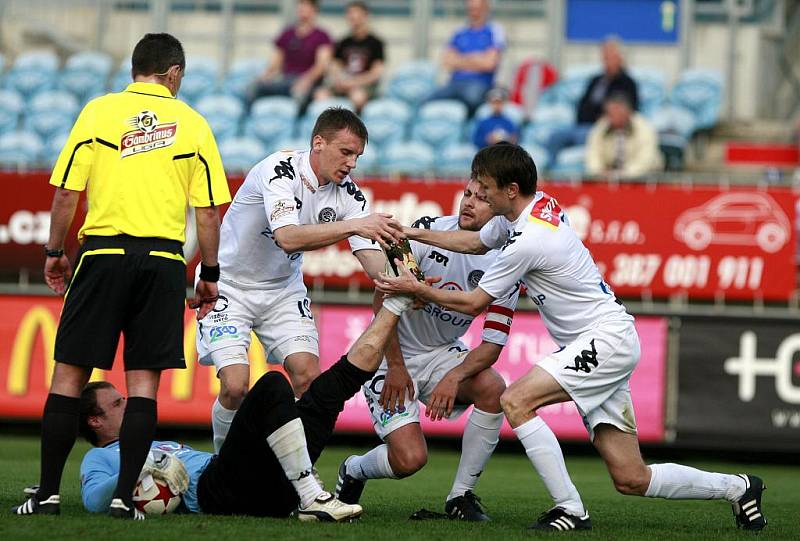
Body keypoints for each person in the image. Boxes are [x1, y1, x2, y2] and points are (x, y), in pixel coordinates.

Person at [376, 142, 767, 532]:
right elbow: (475, 242)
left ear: (510, 190)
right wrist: (409, 232)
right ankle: (740, 488)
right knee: (631, 477)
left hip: (604, 340)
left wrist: (418, 290)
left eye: (486, 188)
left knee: (515, 399)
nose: (479, 194)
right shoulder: (529, 210)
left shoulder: (528, 238)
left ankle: (570, 509)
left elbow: (475, 303)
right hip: (600, 342)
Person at [11, 33, 231, 520]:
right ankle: (122, 497)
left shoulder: (98, 112)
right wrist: (208, 273)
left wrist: (54, 252)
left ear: (136, 69)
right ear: (173, 73)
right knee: (143, 386)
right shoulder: (193, 123)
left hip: (103, 252)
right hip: (163, 262)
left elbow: (67, 193)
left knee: (69, 375)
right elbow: (209, 213)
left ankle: (47, 493)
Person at [79, 299, 418, 521]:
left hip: (270, 490)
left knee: (332, 387)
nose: (129, 404)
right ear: (95, 420)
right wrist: (145, 463)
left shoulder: (154, 443)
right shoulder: (101, 458)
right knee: (272, 384)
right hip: (218, 493)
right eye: (117, 403)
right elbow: (94, 501)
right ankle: (310, 493)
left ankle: (396, 302)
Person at [199, 107, 403, 454]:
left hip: (282, 290)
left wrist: (401, 281)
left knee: (309, 379)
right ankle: (224, 464)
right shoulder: (278, 171)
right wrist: (356, 225)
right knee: (235, 386)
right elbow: (288, 238)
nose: (352, 163)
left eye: (357, 156)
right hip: (230, 286)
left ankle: (296, 475)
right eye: (346, 152)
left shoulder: (349, 195)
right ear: (318, 143)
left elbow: (370, 258)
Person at [334, 179, 519, 521]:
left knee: (494, 387)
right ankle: (354, 468)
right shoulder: (427, 231)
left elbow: (491, 346)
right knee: (409, 461)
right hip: (390, 355)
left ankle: (461, 495)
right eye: (467, 194)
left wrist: (454, 377)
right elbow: (381, 301)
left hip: (441, 352)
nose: (469, 203)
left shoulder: (509, 260)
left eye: (481, 199)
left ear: (498, 206)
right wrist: (396, 366)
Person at [547, 37, 639, 163]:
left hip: (602, 128)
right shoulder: (596, 80)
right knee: (555, 137)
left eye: (611, 57)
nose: (607, 61)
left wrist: (605, 118)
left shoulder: (627, 83)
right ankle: (550, 176)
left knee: (586, 138)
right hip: (581, 124)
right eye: (605, 57)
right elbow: (583, 104)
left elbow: (630, 109)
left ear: (620, 58)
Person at [424, 0, 505, 115]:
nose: (474, 12)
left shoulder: (494, 30)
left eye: (478, 9)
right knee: (426, 101)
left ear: (486, 9)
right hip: (455, 83)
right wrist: (477, 58)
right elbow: (447, 62)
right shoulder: (459, 31)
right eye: (471, 9)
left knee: (472, 100)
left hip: (480, 83)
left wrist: (461, 59)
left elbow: (489, 64)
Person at [247, 0, 333, 108]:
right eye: (300, 5)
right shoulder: (287, 34)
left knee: (300, 94)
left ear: (314, 10)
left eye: (306, 6)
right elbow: (275, 64)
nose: (302, 9)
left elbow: (321, 66)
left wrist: (305, 81)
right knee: (253, 87)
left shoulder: (322, 36)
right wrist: (264, 76)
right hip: (286, 80)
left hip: (309, 82)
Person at [314, 1, 385, 113]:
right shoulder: (343, 42)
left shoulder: (376, 43)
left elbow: (375, 74)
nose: (353, 17)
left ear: (365, 16)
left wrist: (353, 83)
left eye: (357, 14)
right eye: (350, 14)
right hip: (343, 83)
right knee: (320, 94)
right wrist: (339, 80)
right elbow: (334, 66)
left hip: (363, 86)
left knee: (357, 97)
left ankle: (356, 128)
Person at [585, 93, 662, 179]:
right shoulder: (602, 125)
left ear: (627, 112)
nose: (611, 117)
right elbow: (592, 153)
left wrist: (624, 174)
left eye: (616, 112)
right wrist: (598, 171)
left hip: (643, 178)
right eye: (609, 113)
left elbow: (646, 159)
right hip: (608, 177)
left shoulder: (644, 127)